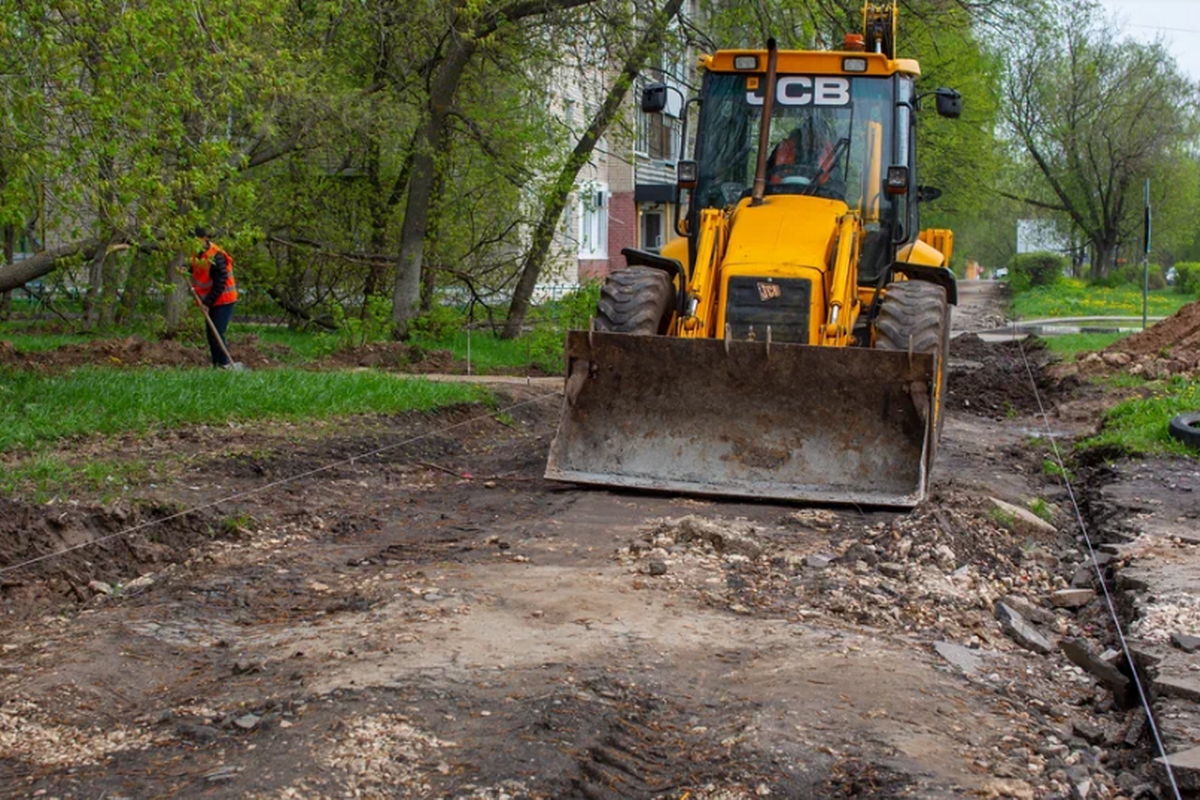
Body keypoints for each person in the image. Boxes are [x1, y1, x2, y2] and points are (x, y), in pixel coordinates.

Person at [190, 228, 238, 368]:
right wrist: (185, 271)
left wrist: (207, 302)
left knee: (217, 332)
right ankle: (216, 365)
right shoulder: (197, 254)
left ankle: (224, 364)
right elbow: (195, 270)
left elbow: (220, 282)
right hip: (211, 300)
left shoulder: (217, 256)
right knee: (211, 335)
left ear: (204, 238)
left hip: (224, 299)